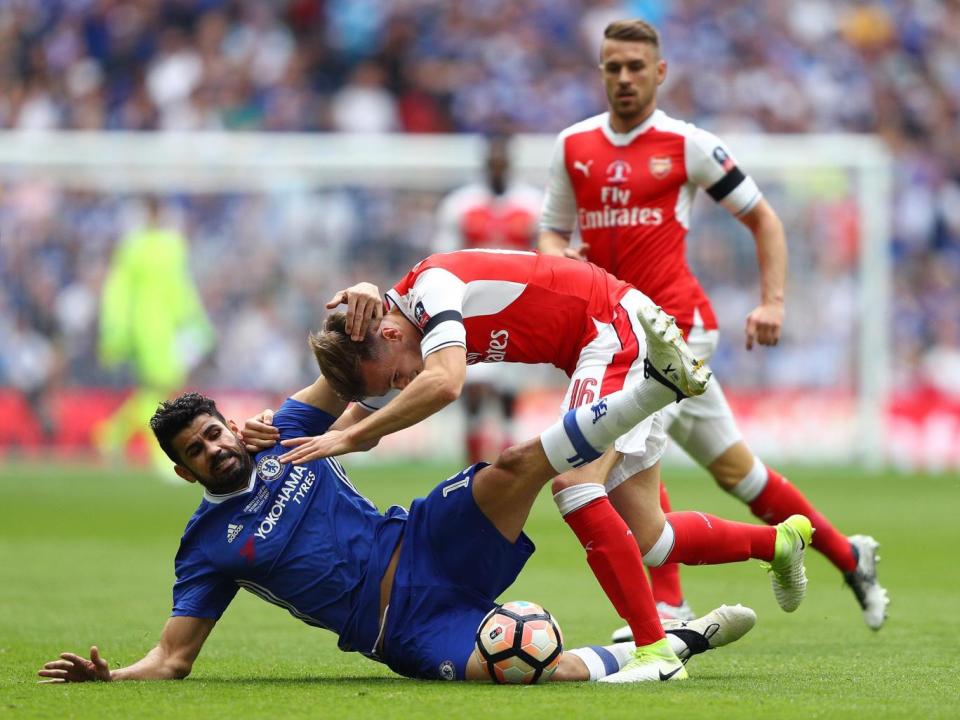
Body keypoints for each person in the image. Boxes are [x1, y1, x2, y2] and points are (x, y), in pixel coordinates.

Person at [252, 249, 813, 682]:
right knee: (653, 538)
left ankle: (655, 650)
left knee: (572, 482)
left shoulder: (432, 292)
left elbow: (444, 383)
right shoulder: (402, 322)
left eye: (398, 376)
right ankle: (781, 543)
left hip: (610, 329)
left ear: (393, 333)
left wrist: (348, 434)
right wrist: (269, 431)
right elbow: (368, 424)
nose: (403, 385)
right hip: (607, 340)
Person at [37, 371, 758, 685]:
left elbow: (351, 376)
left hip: (423, 538)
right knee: (530, 665)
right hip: (401, 628)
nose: (216, 448)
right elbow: (173, 657)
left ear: (229, 423)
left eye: (214, 432)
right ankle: (666, 643)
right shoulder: (206, 548)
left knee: (514, 462)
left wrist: (353, 316)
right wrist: (115, 678)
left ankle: (649, 389)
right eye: (196, 450)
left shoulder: (284, 430)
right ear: (185, 473)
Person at [536, 18, 888, 631]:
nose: (624, 78)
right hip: (615, 331)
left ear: (660, 72)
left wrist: (772, 301)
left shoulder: (687, 144)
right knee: (738, 473)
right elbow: (550, 234)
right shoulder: (573, 146)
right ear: (601, 71)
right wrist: (553, 261)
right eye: (613, 67)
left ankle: (669, 605)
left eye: (636, 67)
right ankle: (846, 552)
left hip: (677, 328)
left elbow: (765, 220)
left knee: (623, 456)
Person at [433, 134, 544, 464]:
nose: (497, 166)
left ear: (509, 163)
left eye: (502, 160)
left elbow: (547, 254)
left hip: (518, 307)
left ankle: (508, 458)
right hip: (474, 308)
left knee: (509, 388)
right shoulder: (460, 205)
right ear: (485, 164)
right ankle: (473, 462)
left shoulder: (532, 204)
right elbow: (442, 254)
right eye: (492, 160)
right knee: (475, 385)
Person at [94, 196, 214, 477]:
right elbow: (119, 290)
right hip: (145, 325)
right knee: (159, 387)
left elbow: (181, 287)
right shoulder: (133, 246)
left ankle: (111, 434)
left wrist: (196, 322)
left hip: (170, 328)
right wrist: (116, 331)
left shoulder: (172, 245)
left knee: (158, 389)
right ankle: (157, 451)